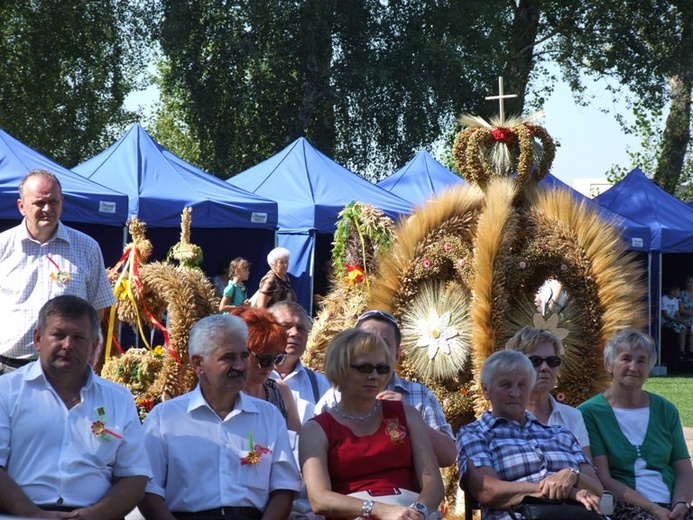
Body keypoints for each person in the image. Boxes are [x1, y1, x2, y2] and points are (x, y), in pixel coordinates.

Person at [0, 295, 151, 518]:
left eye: (79, 337)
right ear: (38, 339)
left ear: (94, 345)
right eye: (58, 335)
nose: (68, 345)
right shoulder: (5, 391)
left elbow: (134, 476)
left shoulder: (119, 398)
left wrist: (93, 515)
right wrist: (37, 515)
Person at [138, 314, 302, 520]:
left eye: (244, 356)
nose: (241, 366)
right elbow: (147, 490)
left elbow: (283, 488)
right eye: (228, 357)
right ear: (198, 363)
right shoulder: (165, 418)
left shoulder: (269, 417)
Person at [299, 329, 444, 520]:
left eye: (382, 368)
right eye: (364, 368)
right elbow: (319, 499)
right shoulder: (316, 429)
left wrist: (416, 512)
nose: (375, 375)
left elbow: (433, 483)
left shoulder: (406, 414)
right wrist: (379, 510)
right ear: (340, 369)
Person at [457, 350, 603, 520]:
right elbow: (488, 490)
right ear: (486, 389)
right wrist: (565, 491)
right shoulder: (475, 434)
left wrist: (572, 476)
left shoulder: (561, 433)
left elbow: (597, 488)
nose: (515, 393)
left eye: (522, 385)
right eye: (505, 385)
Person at [0, 169, 115, 373]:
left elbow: (98, 310)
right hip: (8, 367)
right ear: (21, 206)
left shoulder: (87, 248)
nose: (47, 208)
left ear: (62, 203)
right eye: (39, 203)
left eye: (53, 202)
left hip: (65, 371)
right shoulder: (3, 246)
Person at [316, 309, 457, 467]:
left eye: (384, 343)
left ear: (397, 355)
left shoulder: (420, 396)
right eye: (365, 342)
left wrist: (408, 417)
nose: (375, 349)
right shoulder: (333, 398)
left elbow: (447, 457)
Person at [579, 329, 693, 520]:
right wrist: (653, 508)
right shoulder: (590, 413)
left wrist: (681, 502)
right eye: (626, 359)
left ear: (649, 368)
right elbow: (604, 478)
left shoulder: (666, 410)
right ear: (609, 364)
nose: (634, 366)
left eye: (641, 361)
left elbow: (683, 470)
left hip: (671, 506)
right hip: (624, 506)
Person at [505, 325, 591, 458]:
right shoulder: (501, 419)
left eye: (552, 361)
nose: (545, 368)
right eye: (535, 361)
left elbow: (589, 474)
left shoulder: (573, 417)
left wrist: (570, 475)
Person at [229, 306, 301, 432]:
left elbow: (295, 445)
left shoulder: (281, 392)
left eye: (278, 358)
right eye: (264, 359)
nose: (272, 366)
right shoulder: (223, 396)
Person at [269, 301, 330, 424]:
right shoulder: (250, 379)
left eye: (301, 328)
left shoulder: (320, 385)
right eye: (286, 326)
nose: (295, 333)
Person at [662, 282, 692, 358]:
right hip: (665, 322)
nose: (679, 292)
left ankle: (684, 352)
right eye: (678, 291)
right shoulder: (664, 299)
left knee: (685, 326)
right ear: (672, 291)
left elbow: (677, 314)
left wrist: (683, 321)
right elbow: (666, 316)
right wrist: (679, 321)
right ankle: (681, 351)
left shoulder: (675, 300)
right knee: (682, 328)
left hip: (673, 320)